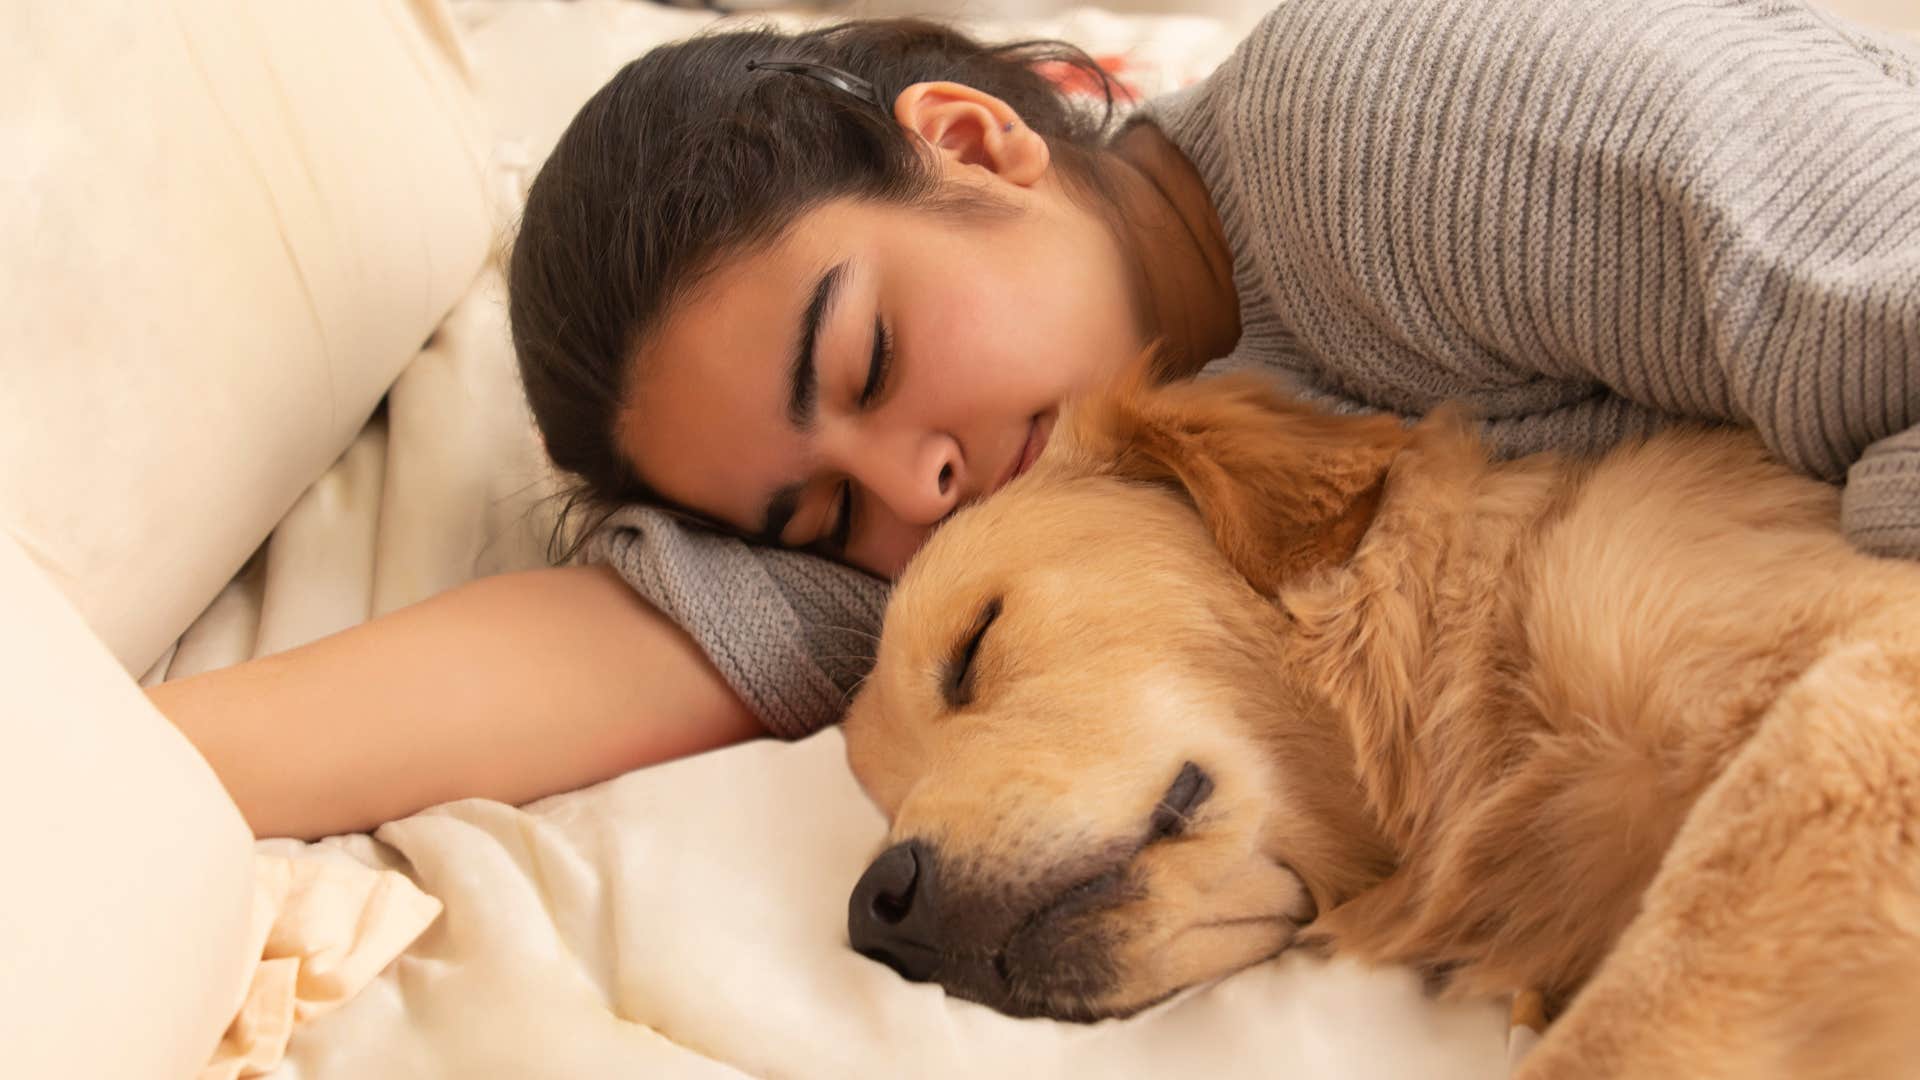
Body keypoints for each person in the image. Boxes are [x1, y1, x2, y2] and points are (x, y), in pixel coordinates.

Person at [149, 0, 1920, 841]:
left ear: (976, 143)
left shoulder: (1385, 132)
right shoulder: (1028, 514)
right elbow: (617, 650)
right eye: (818, 516)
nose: (910, 489)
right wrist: (90, 769)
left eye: (864, 361)